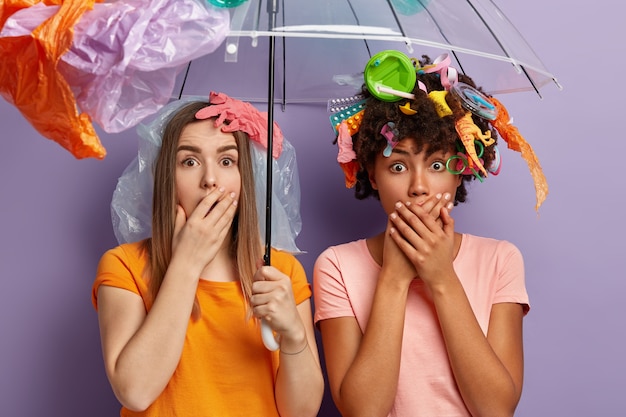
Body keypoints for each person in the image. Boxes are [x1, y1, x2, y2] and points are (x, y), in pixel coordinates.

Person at [314, 50, 547, 417]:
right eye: (398, 165)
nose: (419, 187)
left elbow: (497, 408)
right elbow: (362, 410)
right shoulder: (337, 266)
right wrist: (392, 278)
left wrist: (441, 278)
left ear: (461, 171)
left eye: (437, 164)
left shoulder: (500, 259)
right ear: (372, 174)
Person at [92, 92, 324, 417]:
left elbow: (301, 411)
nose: (210, 180)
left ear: (245, 179)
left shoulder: (280, 270)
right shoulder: (124, 265)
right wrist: (186, 262)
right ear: (166, 179)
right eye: (190, 161)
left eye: (227, 161)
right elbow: (135, 391)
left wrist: (295, 337)